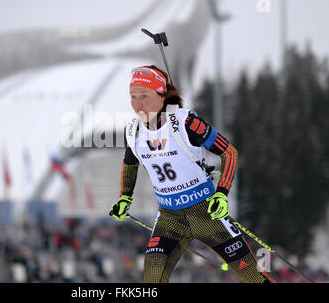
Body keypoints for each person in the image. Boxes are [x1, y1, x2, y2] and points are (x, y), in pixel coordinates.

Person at [109, 65, 275, 283]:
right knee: (152, 277)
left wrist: (221, 194)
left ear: (161, 96)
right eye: (132, 97)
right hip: (169, 217)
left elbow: (229, 152)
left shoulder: (184, 122)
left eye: (144, 96)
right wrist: (125, 197)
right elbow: (130, 164)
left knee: (252, 277)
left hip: (206, 212)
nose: (137, 104)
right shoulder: (132, 131)